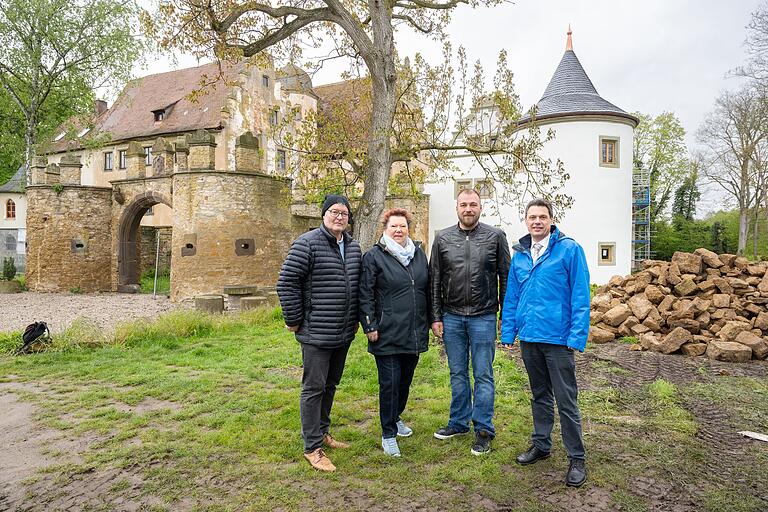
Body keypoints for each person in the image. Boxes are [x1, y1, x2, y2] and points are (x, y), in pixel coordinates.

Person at [500, 198, 590, 487]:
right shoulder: (521, 256)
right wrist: (508, 332)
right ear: (525, 221)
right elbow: (512, 297)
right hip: (529, 337)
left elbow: (580, 295)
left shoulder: (569, 250)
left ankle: (577, 457)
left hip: (558, 338)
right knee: (539, 395)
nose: (537, 221)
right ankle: (541, 444)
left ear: (551, 220)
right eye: (532, 217)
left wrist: (577, 335)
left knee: (566, 399)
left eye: (542, 216)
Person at [276, 194, 362, 472]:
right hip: (316, 332)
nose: (339, 217)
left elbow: (356, 286)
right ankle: (312, 447)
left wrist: (356, 320)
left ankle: (323, 432)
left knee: (330, 385)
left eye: (344, 214)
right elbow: (287, 283)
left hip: (343, 332)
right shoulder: (307, 244)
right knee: (313, 388)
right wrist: (294, 319)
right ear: (324, 215)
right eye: (335, 212)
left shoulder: (352, 247)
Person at [429, 188, 511, 455]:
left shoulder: (495, 237)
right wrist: (436, 316)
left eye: (473, 204)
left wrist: (504, 316)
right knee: (457, 373)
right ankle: (458, 422)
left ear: (480, 207)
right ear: (457, 208)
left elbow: (506, 277)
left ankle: (484, 429)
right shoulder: (442, 238)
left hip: (483, 316)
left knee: (483, 374)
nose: (468, 209)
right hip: (451, 317)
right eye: (463, 204)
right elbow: (435, 280)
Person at [359, 208, 429, 457]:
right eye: (393, 227)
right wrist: (369, 324)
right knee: (389, 383)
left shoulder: (418, 255)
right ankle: (388, 433)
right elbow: (365, 293)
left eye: (403, 226)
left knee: (405, 381)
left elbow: (425, 290)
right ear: (385, 229)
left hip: (413, 331)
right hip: (386, 332)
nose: (398, 230)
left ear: (408, 228)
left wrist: (431, 321)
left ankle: (396, 416)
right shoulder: (374, 257)